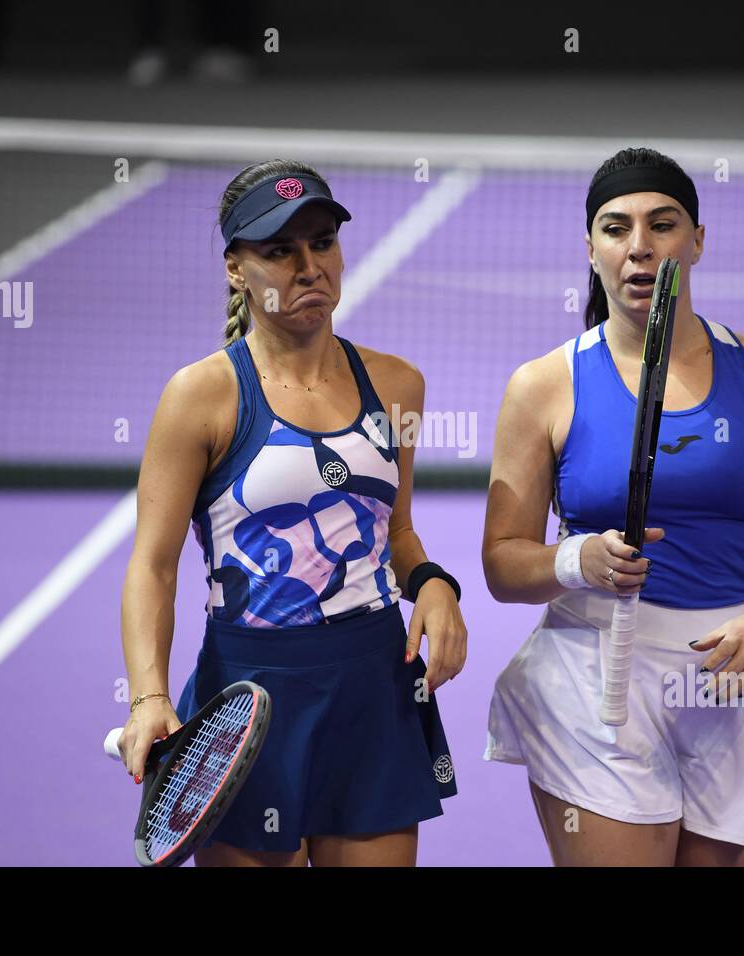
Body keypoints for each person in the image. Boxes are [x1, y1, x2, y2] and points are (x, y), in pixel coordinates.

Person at [482, 147, 744, 866]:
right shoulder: (542, 386)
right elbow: (503, 564)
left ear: (697, 240)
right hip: (593, 680)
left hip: (734, 675)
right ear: (589, 248)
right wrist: (577, 558)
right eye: (616, 228)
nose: (640, 247)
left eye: (663, 225)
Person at [116, 160, 466, 866]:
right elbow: (153, 567)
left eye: (323, 243)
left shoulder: (397, 384)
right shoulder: (201, 397)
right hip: (247, 705)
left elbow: (392, 529)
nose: (310, 267)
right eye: (281, 251)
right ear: (236, 269)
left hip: (373, 690)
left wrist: (431, 581)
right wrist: (148, 696)